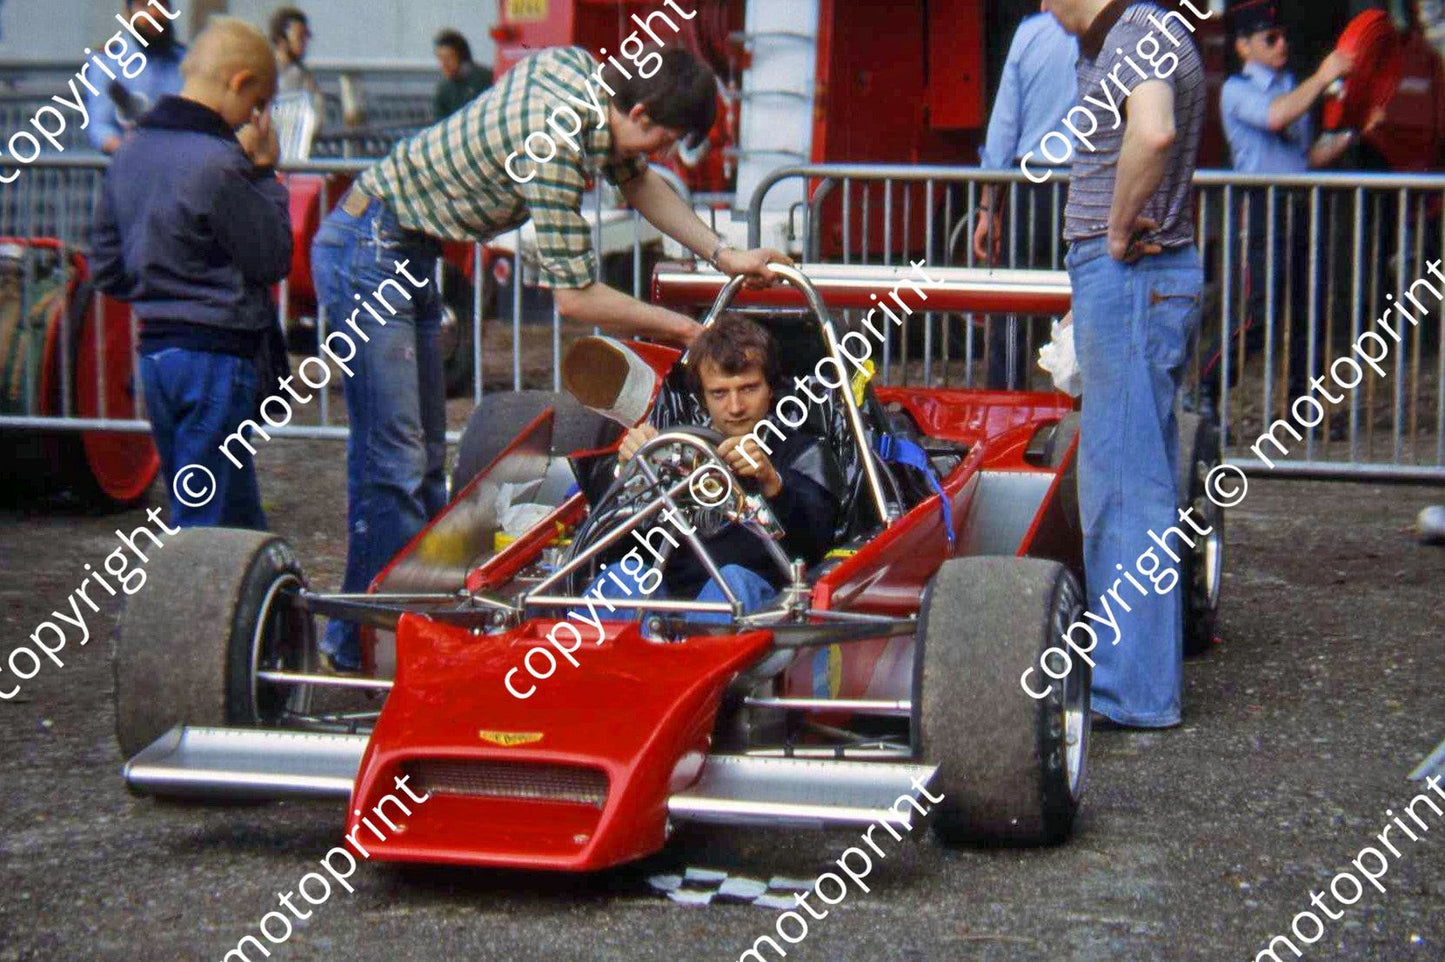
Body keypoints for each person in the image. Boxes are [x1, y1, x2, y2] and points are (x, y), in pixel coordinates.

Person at [310, 42, 790, 670]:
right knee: (392, 463)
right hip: (372, 244)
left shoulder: (591, 86)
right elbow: (574, 298)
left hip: (407, 249)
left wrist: (723, 255)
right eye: (664, 139)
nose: (663, 155)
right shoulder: (556, 139)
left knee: (424, 461)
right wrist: (685, 331)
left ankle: (410, 637)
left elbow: (639, 181)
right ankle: (360, 652)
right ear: (640, 112)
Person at [1044, 0, 1207, 729]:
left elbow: (1154, 129)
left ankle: (1130, 692)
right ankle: (1136, 678)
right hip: (1139, 281)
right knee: (1134, 479)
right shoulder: (1138, 33)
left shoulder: (1137, 35)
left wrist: (1112, 230)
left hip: (1132, 278)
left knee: (1120, 489)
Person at [90, 18, 289, 528]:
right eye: (258, 105)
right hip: (218, 354)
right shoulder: (221, 163)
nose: (255, 119)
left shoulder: (129, 151)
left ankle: (274, 605)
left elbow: (107, 268)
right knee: (206, 518)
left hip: (156, 354)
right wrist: (265, 173)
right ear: (240, 83)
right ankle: (195, 606)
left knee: (225, 503)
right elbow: (271, 258)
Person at [593, 314, 841, 618]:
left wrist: (772, 483)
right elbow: (609, 547)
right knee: (622, 577)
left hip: (754, 610)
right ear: (703, 398)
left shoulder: (801, 452)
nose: (735, 407)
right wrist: (628, 473)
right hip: (664, 606)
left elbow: (819, 544)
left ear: (771, 389)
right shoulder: (675, 451)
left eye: (749, 389)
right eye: (720, 393)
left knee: (732, 582)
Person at [1208, 0, 1386, 409]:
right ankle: (1209, 386)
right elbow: (1275, 117)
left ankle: (1300, 402)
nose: (1281, 43)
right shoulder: (1237, 90)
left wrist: (1353, 134)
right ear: (1244, 47)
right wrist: (1324, 77)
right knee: (1258, 315)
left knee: (1310, 309)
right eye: (1270, 38)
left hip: (1300, 202)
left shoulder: (1293, 86)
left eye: (1283, 35)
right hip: (1262, 208)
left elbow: (1305, 157)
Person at [974, 11, 1079, 389]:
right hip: (1090, 185)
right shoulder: (1116, 31)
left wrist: (988, 208)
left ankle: (1007, 405)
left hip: (1029, 183)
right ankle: (1075, 405)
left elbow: (1004, 125)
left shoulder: (1029, 35)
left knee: (1014, 302)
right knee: (1083, 298)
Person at [86, 0, 186, 153]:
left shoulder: (186, 60)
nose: (153, 13)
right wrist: (133, 154)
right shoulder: (106, 61)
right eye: (143, 5)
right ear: (128, 12)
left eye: (161, 4)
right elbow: (100, 128)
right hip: (129, 166)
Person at [269, 6, 322, 110]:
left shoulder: (304, 76)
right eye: (300, 37)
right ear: (281, 39)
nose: (305, 42)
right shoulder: (267, 74)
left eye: (306, 37)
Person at [433, 29, 493, 120]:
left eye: (448, 58)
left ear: (462, 59)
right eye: (440, 59)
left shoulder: (484, 79)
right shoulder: (443, 90)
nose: (443, 65)